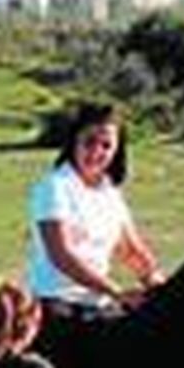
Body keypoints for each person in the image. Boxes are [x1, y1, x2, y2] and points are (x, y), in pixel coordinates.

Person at [26, 102, 164, 317]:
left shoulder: (109, 192)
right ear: (74, 141)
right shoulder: (54, 187)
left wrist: (154, 280)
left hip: (99, 303)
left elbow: (130, 250)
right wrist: (117, 293)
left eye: (106, 145)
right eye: (89, 142)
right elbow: (61, 255)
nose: (97, 152)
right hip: (57, 304)